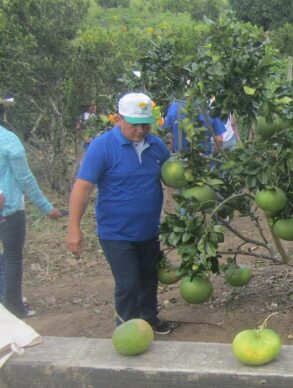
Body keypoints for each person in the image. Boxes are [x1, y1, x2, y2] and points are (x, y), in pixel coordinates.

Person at [66, 92, 173, 334]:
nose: (141, 130)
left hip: (149, 229)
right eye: (135, 125)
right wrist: (74, 227)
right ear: (119, 120)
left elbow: (172, 178)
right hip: (116, 232)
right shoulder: (102, 147)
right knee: (128, 284)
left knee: (149, 277)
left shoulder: (156, 146)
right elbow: (83, 186)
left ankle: (149, 319)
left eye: (145, 124)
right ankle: (127, 329)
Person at [0, 118, 62, 318]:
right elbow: (24, 178)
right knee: (12, 259)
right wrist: (46, 207)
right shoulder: (8, 140)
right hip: (9, 210)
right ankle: (13, 307)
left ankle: (6, 299)